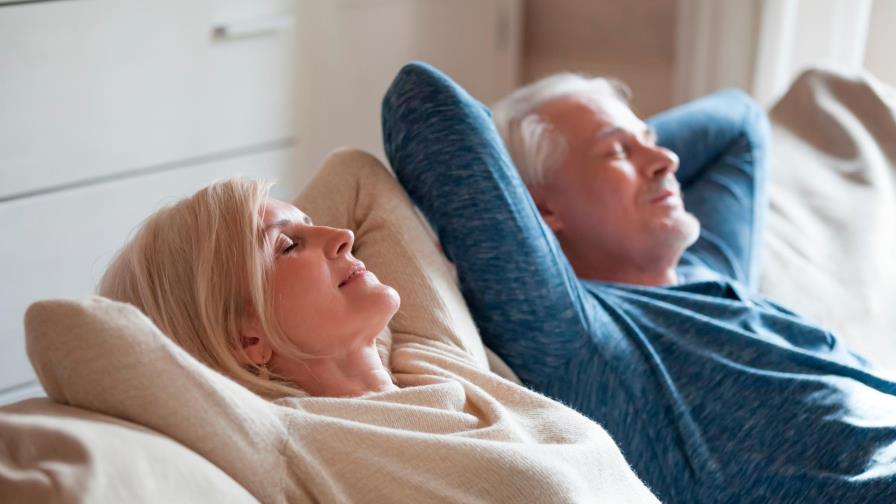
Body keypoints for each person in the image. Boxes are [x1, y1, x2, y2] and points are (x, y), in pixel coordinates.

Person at [381, 61, 896, 504]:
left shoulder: (709, 267)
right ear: (539, 210)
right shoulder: (580, 337)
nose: (667, 159)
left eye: (652, 139)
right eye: (617, 153)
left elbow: (738, 123)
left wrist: (623, 145)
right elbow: (422, 102)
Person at [97, 150, 661, 502]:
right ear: (246, 337)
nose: (340, 235)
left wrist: (257, 234)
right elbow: (72, 337)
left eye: (313, 225)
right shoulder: (286, 442)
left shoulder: (430, 357)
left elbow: (356, 175)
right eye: (290, 245)